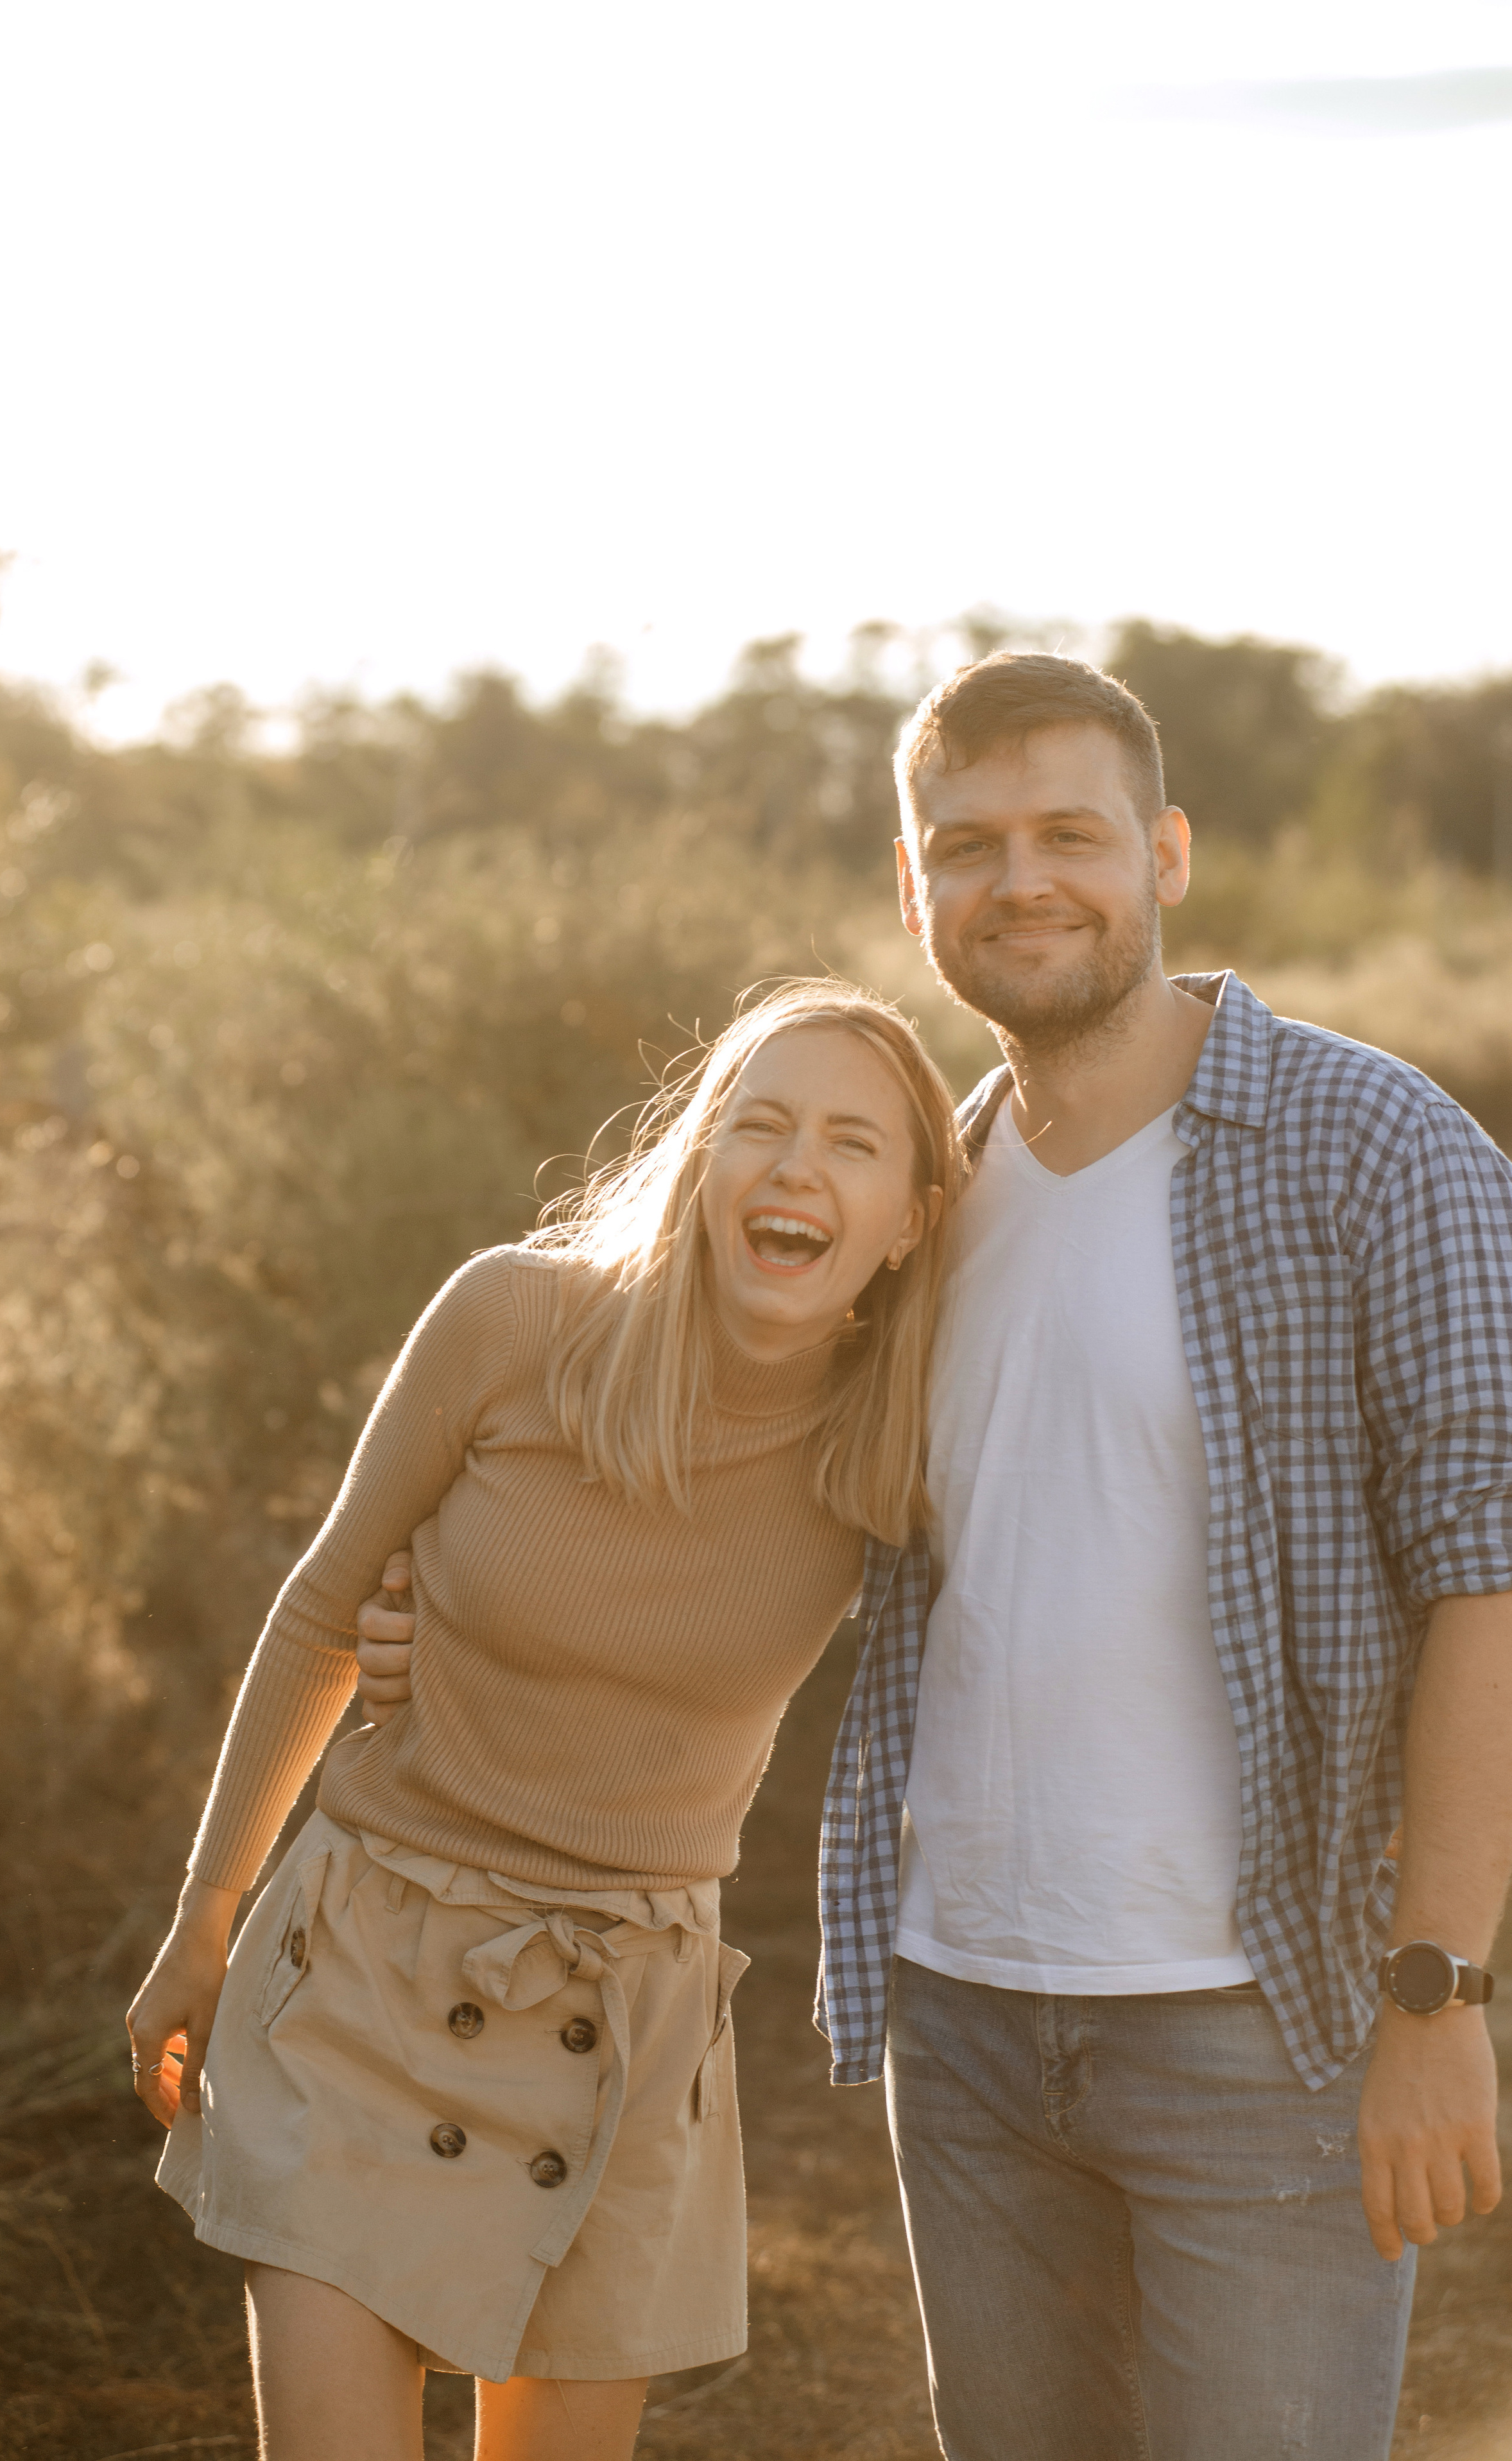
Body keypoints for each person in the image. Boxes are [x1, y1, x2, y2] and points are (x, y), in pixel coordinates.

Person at [361, 651, 1512, 2461]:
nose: (1023, 879)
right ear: (916, 890)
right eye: (967, 843)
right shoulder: (914, 1208)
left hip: (1264, 2025)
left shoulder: (1375, 1149)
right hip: (964, 2018)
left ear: (1169, 853)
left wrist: (1441, 1985)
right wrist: (462, 1607)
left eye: (1072, 831)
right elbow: (722, 1496)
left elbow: (1485, 1573)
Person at [126, 978, 960, 2461]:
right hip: (364, 1970)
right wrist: (205, 1915)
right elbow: (326, 1608)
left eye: (850, 1144)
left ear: (905, 1219)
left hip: (624, 2017)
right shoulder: (519, 1316)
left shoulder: (893, 1447)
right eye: (756, 1126)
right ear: (700, 1165)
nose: (793, 1169)